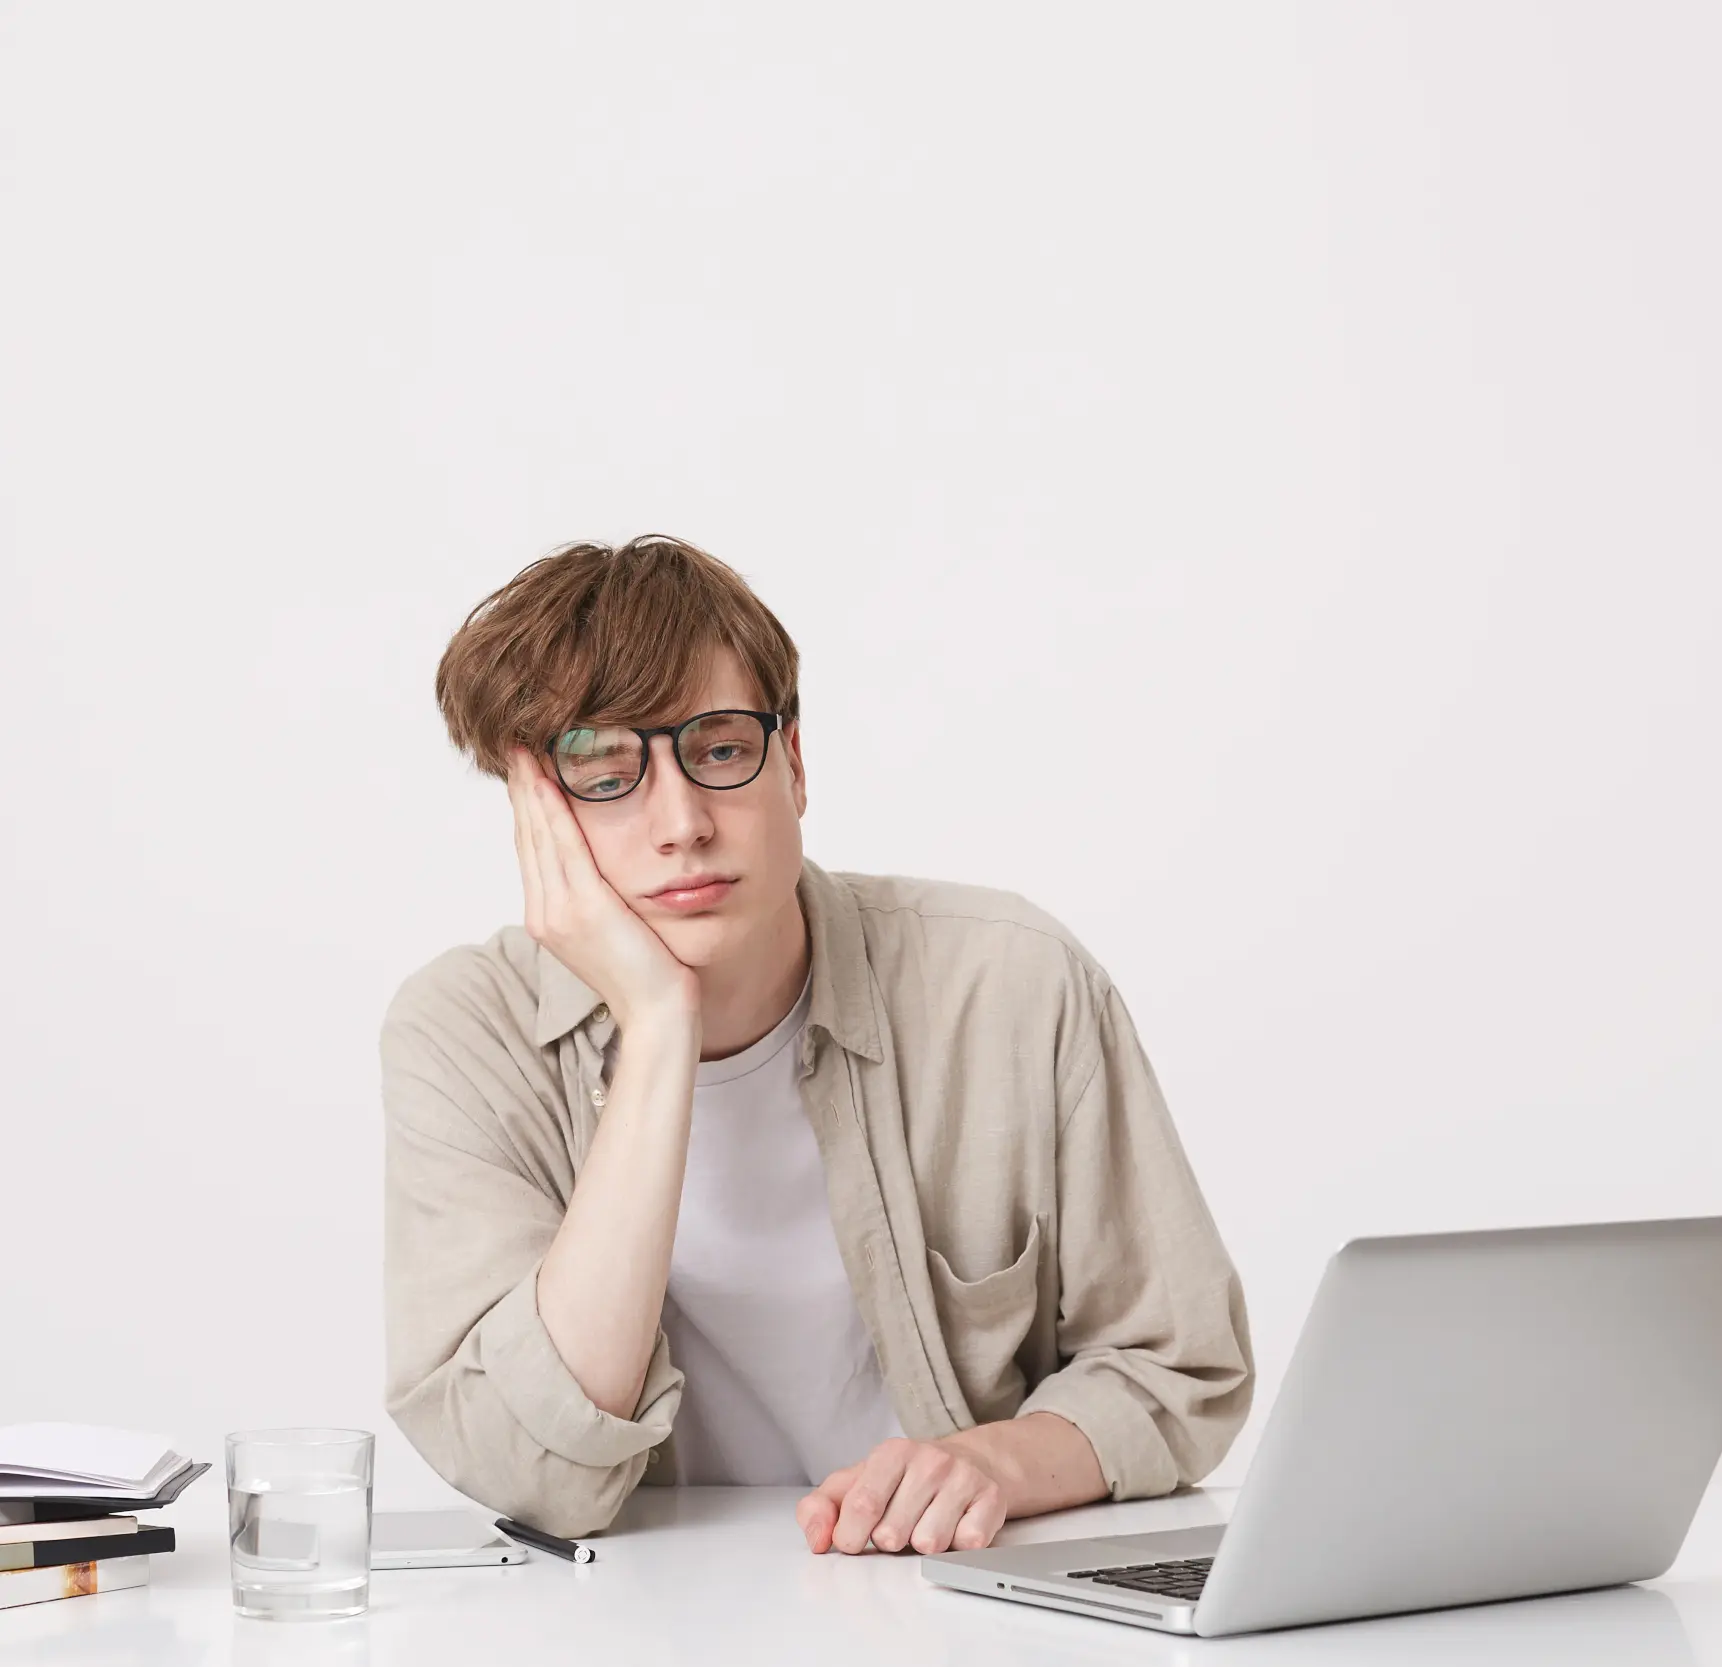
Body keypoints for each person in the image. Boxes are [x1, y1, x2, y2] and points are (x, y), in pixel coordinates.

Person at [380, 533, 1253, 1556]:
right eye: (604, 769)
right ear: (536, 815)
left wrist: (995, 1462)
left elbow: (1181, 1368)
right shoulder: (462, 1033)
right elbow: (531, 1468)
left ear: (792, 763)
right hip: (636, 1622)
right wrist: (662, 1029)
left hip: (965, 1605)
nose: (682, 822)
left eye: (717, 749)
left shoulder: (1012, 981)